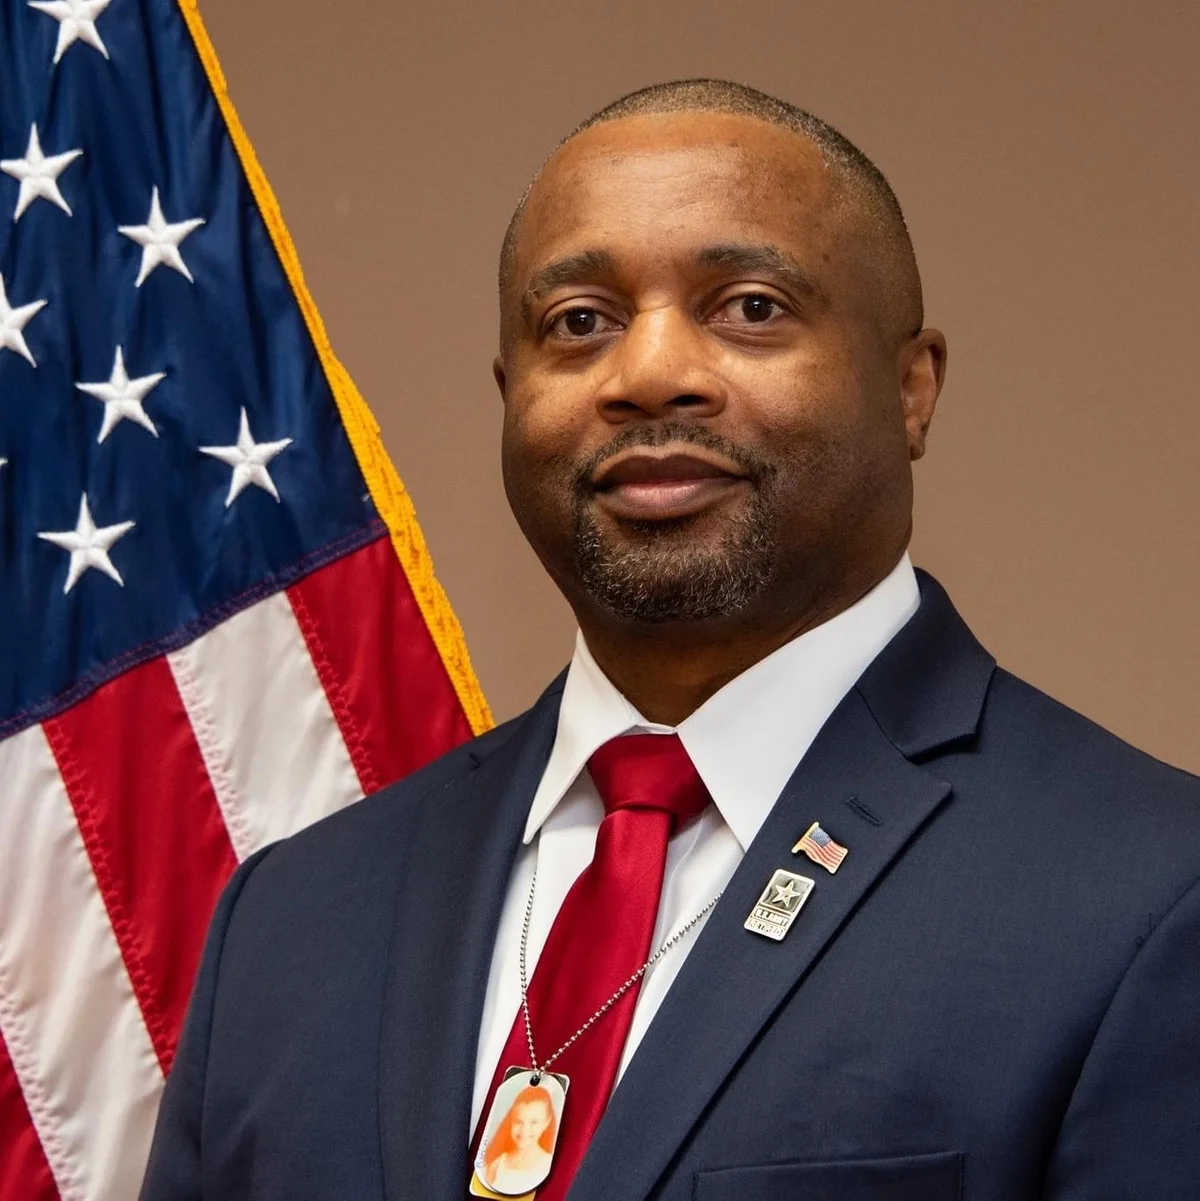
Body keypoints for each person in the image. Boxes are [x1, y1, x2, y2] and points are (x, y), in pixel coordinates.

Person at [140, 79, 1200, 1201]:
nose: (647, 375)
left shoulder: (1151, 896)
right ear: (511, 395)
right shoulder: (289, 921)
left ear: (911, 388)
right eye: (579, 323)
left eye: (748, 306)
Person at [478, 1084, 558, 1193]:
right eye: (518, 1121)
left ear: (546, 1122)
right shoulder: (496, 1165)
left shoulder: (546, 1165)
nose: (524, 1130)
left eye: (533, 1122)